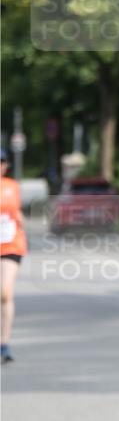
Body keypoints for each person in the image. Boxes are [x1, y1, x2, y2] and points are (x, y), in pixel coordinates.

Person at [1, 149, 28, 364]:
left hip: (11, 244)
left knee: (5, 293)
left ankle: (4, 343)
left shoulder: (12, 186)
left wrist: (20, 221)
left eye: (1, 161)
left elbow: (16, 212)